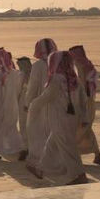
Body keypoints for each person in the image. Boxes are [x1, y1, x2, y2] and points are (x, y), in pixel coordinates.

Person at [27, 51, 88, 185]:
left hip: (60, 119)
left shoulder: (56, 79)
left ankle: (79, 174)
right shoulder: (74, 79)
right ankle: (40, 169)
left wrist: (31, 106)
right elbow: (84, 101)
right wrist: (84, 118)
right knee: (52, 144)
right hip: (72, 119)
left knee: (68, 147)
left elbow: (46, 97)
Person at [25, 38, 58, 170]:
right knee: (53, 132)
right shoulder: (59, 62)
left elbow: (32, 86)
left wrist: (28, 103)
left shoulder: (38, 65)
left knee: (38, 131)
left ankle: (40, 159)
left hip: (41, 103)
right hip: (57, 104)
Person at [69, 45, 100, 164]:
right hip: (89, 101)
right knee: (86, 129)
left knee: (81, 129)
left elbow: (82, 85)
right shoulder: (89, 65)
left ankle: (74, 154)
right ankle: (97, 153)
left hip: (84, 102)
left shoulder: (81, 66)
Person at [17, 56, 33, 161]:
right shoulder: (36, 73)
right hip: (33, 101)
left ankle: (26, 149)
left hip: (25, 101)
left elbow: (18, 90)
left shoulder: (22, 75)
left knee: (24, 125)